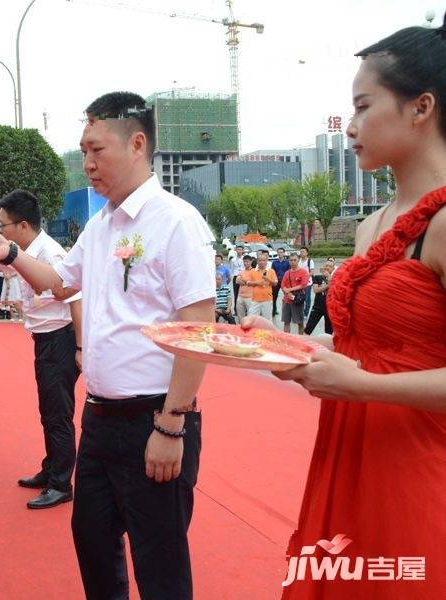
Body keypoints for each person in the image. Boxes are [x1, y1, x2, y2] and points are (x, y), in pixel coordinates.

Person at [0, 91, 214, 599]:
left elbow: (198, 326)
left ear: (138, 143)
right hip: (100, 420)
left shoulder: (176, 222)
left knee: (160, 564)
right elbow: (58, 283)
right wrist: (10, 252)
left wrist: (172, 424)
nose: (87, 163)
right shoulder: (100, 227)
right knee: (94, 547)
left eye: (97, 149)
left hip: (155, 417)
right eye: (83, 151)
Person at [246, 17, 446, 597]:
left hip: (420, 465)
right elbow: (368, 348)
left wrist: (363, 386)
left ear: (421, 107)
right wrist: (287, 343)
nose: (352, 127)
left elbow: (370, 372)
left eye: (363, 106)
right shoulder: (372, 226)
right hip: (350, 451)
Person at [0, 189, 83, 509]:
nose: (1, 230)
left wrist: (80, 347)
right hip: (44, 340)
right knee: (48, 411)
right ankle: (51, 470)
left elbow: (77, 300)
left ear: (23, 225)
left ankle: (62, 483)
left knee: (57, 414)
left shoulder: (50, 254)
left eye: (3, 225)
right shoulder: (20, 252)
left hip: (61, 339)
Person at [280, 252, 309, 334]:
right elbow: (282, 285)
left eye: (294, 260)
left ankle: (300, 339)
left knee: (300, 322)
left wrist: (290, 289)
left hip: (297, 300)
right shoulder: (287, 273)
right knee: (286, 322)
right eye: (291, 260)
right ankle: (287, 339)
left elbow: (304, 284)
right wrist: (287, 292)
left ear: (298, 260)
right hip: (286, 300)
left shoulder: (303, 272)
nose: (293, 262)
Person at [244, 250, 277, 320]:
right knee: (251, 320)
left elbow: (275, 283)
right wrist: (257, 283)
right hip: (255, 300)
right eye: (260, 260)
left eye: (264, 260)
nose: (262, 262)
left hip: (267, 300)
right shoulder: (252, 271)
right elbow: (247, 283)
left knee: (267, 321)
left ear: (266, 261)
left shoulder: (271, 271)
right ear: (257, 261)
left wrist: (268, 279)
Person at [304, 264, 332, 335]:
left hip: (329, 308)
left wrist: (329, 277)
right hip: (317, 307)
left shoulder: (335, 279)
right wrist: (327, 286)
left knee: (328, 332)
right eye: (325, 268)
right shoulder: (317, 277)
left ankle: (326, 346)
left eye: (329, 268)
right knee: (308, 329)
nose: (326, 270)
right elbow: (316, 290)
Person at [271, 246, 291, 318]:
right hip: (276, 281)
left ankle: (289, 312)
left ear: (284, 253)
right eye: (278, 252)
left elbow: (289, 272)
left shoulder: (288, 262)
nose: (280, 254)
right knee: (274, 296)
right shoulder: (274, 262)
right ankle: (274, 310)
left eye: (281, 252)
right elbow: (272, 272)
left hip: (285, 281)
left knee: (287, 296)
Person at [235, 256, 256, 321]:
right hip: (240, 296)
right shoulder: (242, 271)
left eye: (247, 261)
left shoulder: (254, 271)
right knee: (240, 316)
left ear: (251, 262)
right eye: (244, 261)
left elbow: (254, 283)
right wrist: (247, 282)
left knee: (250, 316)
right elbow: (237, 281)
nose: (245, 263)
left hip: (250, 297)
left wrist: (243, 280)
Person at [298, 246, 315, 319]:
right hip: (299, 283)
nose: (301, 253)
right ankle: (299, 312)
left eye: (303, 251)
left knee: (307, 298)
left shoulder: (310, 261)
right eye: (301, 251)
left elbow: (312, 272)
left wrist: (303, 276)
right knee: (299, 298)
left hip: (307, 283)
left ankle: (305, 313)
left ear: (307, 253)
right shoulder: (298, 261)